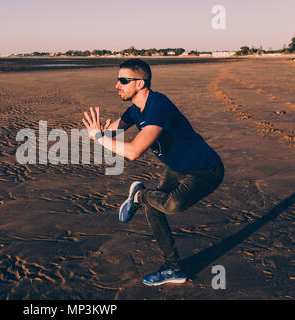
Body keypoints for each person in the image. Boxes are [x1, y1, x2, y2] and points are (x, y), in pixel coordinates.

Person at [82, 59, 224, 286]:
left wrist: (99, 139)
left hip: (205, 170)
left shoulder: (159, 107)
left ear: (140, 83)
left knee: (172, 205)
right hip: (175, 168)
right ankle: (173, 268)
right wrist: (100, 132)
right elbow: (112, 131)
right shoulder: (135, 110)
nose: (116, 85)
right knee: (154, 209)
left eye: (123, 81)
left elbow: (134, 151)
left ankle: (138, 195)